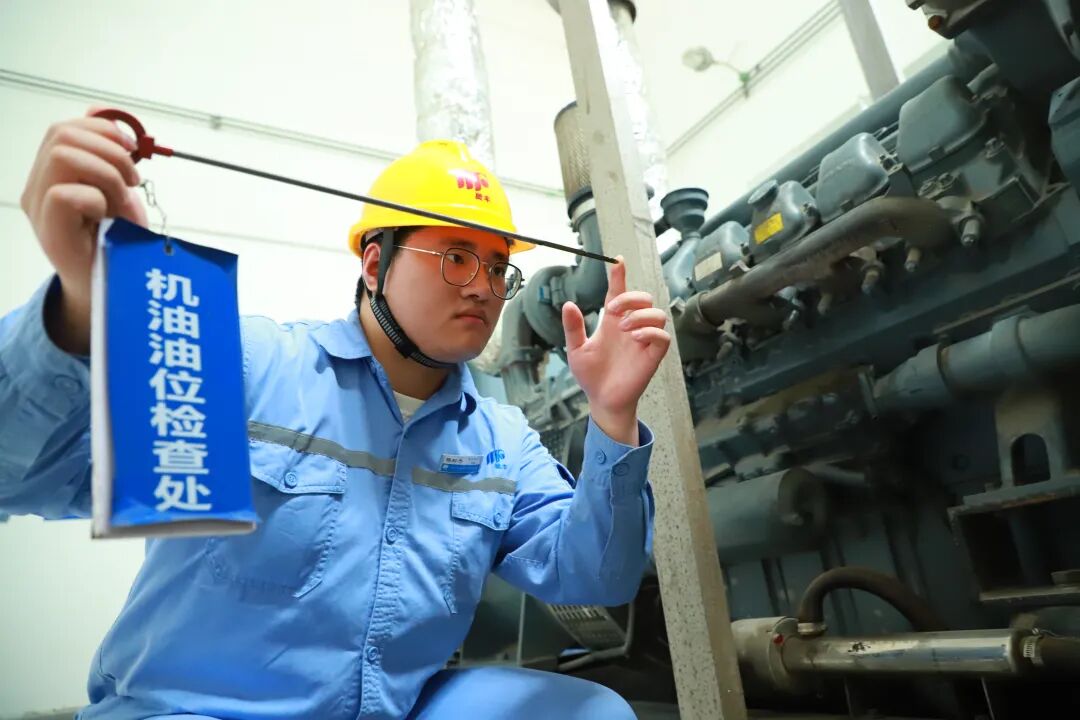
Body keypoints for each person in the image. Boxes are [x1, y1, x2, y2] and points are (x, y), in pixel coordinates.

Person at [1, 109, 672, 719]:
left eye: (499, 268)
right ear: (375, 265)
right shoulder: (249, 367)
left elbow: (596, 577)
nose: (483, 288)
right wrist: (81, 309)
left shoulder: (501, 439)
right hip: (192, 711)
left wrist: (612, 416)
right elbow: (19, 475)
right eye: (456, 257)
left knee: (592, 714)